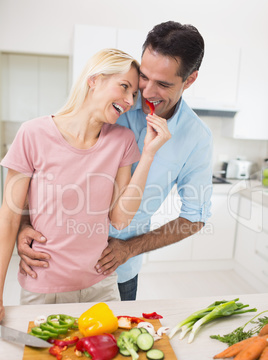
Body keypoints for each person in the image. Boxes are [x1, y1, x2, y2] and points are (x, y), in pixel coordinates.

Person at [17, 21, 213, 301]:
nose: (145, 93)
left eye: (163, 84)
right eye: (144, 77)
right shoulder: (114, 102)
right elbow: (47, 166)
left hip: (116, 272)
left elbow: (194, 219)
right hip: (53, 265)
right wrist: (24, 226)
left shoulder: (197, 139)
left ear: (189, 80)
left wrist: (129, 248)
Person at [0, 48, 171, 321]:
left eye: (134, 95)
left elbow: (120, 218)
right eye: (124, 87)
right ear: (94, 80)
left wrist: (149, 154)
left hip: (101, 287)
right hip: (45, 289)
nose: (129, 100)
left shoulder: (123, 140)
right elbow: (8, 218)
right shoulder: (33, 133)